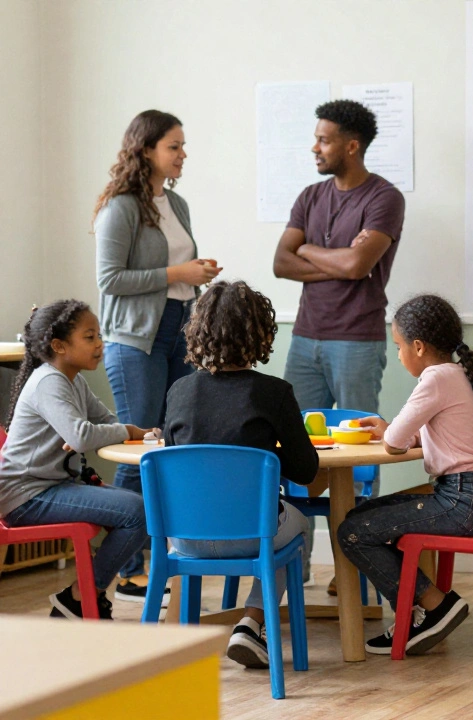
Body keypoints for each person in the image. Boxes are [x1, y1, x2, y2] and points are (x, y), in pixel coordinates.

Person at [272, 99, 405, 586]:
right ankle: (295, 564)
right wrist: (322, 255)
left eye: (324, 139)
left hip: (357, 341)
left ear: (352, 145)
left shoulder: (384, 198)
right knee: (292, 450)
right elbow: (280, 263)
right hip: (304, 339)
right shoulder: (310, 195)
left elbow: (358, 267)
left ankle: (357, 567)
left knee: (360, 458)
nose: (315, 147)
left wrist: (307, 249)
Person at [94, 109, 222, 602]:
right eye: (175, 146)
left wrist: (196, 273)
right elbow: (110, 281)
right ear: (146, 149)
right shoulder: (122, 207)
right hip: (135, 339)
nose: (183, 154)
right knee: (138, 447)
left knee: (169, 445)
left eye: (183, 146)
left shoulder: (177, 203)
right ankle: (126, 571)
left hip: (179, 331)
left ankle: (158, 559)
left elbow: (177, 266)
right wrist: (176, 275)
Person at [162, 281, 318, 669]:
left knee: (269, 524)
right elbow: (306, 470)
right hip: (251, 537)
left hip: (184, 539)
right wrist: (270, 451)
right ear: (260, 334)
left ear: (197, 332)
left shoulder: (178, 391)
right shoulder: (275, 393)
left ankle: (172, 646)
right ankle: (253, 619)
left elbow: (175, 460)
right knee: (297, 527)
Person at [336, 294, 473, 656]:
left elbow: (395, 443)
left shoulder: (435, 379)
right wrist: (393, 430)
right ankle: (426, 609)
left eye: (398, 347)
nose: (398, 356)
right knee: (360, 518)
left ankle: (434, 606)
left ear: (418, 346)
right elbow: (438, 434)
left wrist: (391, 431)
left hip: (463, 501)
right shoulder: (458, 374)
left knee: (352, 531)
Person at [0, 300, 155, 620]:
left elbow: (103, 422)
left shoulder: (73, 380)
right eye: (89, 337)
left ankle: (80, 597)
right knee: (138, 512)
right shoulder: (49, 382)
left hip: (49, 487)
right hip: (25, 496)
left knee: (143, 506)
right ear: (59, 345)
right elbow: (85, 435)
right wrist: (125, 430)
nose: (99, 344)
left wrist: (138, 433)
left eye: (99, 335)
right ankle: (82, 596)